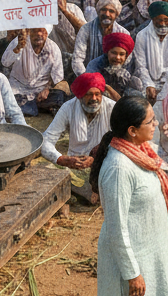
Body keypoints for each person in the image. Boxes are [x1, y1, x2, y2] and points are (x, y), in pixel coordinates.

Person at [91, 96, 168, 296]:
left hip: (146, 254)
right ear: (131, 130)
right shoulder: (119, 168)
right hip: (131, 261)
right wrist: (132, 273)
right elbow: (116, 228)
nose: (156, 125)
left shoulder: (141, 153)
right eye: (150, 121)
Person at [41, 73, 114, 204]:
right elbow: (46, 140)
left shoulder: (111, 108)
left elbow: (121, 142)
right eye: (89, 94)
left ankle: (75, 193)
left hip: (103, 163)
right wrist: (61, 159)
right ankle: (82, 192)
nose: (94, 98)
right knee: (46, 171)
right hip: (74, 165)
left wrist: (95, 159)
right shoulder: (68, 107)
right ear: (80, 95)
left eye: (98, 94)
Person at [3, 27, 68, 116]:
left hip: (41, 89)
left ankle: (37, 106)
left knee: (60, 93)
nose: (39, 34)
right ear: (29, 32)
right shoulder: (19, 41)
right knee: (19, 105)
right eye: (35, 31)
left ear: (47, 33)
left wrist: (47, 88)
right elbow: (5, 62)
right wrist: (17, 48)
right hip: (19, 88)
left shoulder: (53, 48)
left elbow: (57, 75)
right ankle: (36, 107)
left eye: (42, 31)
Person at [133, 2, 168, 102]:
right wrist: (148, 85)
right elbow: (141, 66)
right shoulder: (142, 35)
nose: (162, 24)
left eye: (166, 20)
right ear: (153, 19)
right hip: (151, 81)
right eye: (159, 20)